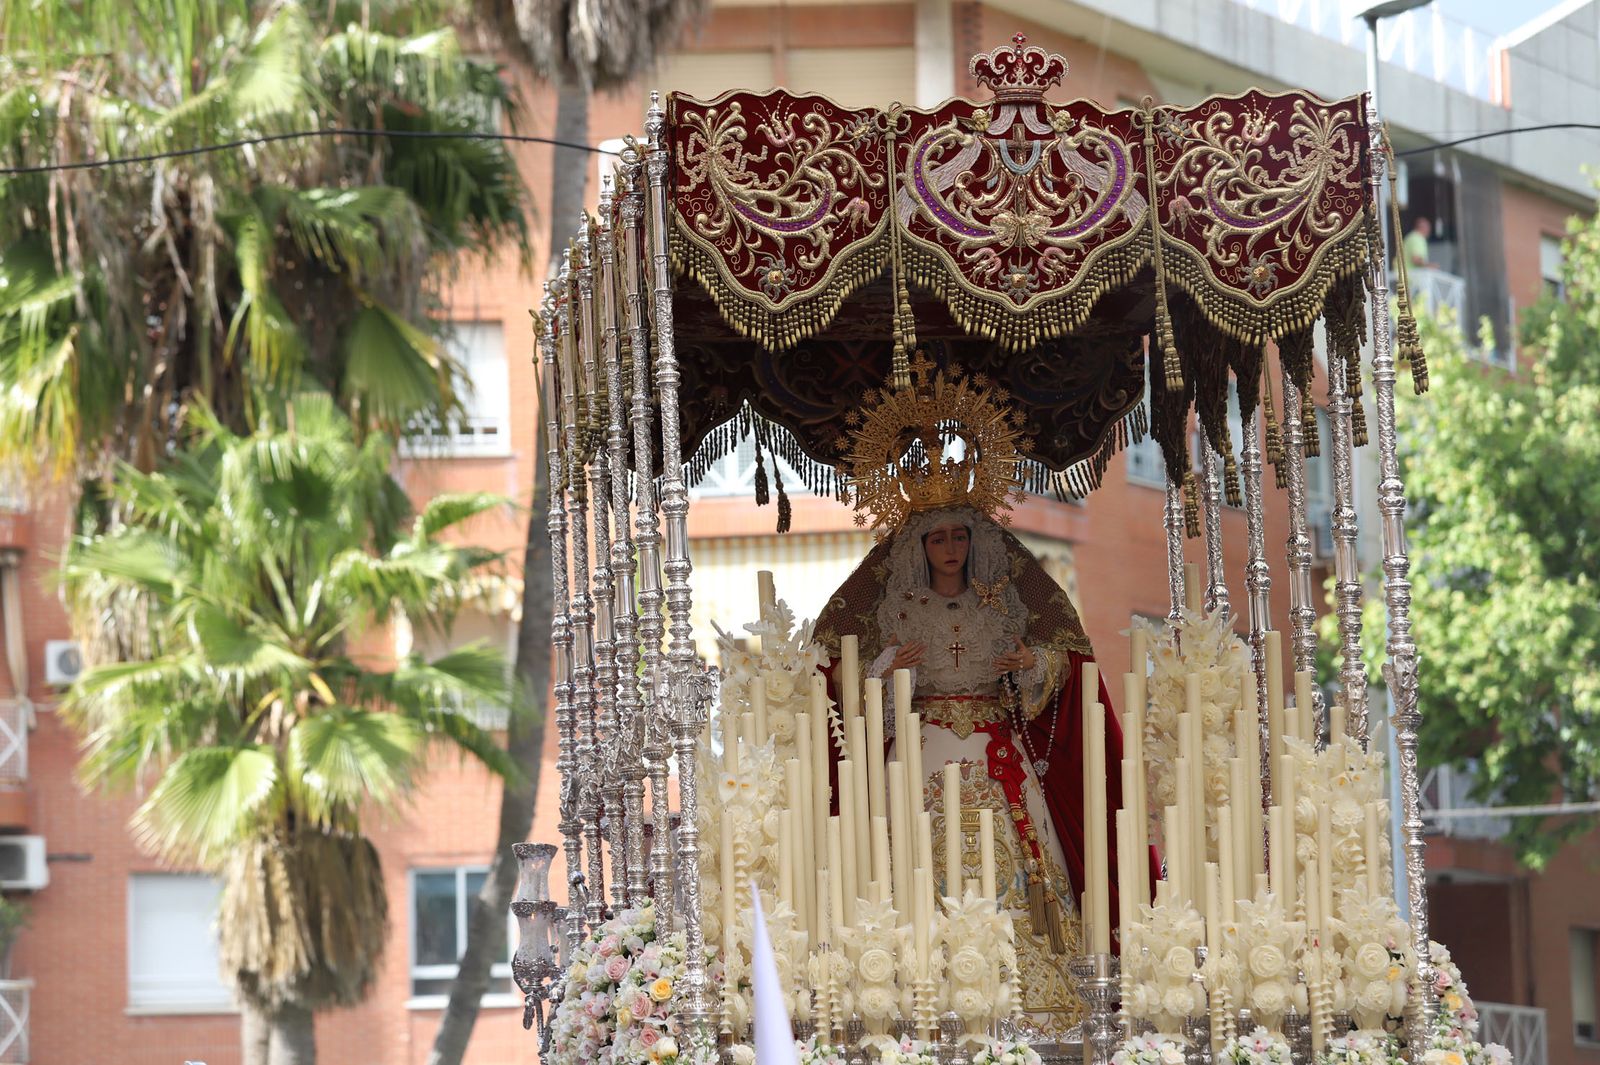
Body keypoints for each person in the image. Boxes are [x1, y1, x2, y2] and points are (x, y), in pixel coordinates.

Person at [814, 358, 1143, 1037]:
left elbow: (1063, 658)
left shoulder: (1005, 601)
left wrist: (1030, 663)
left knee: (1019, 862)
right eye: (937, 537)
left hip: (999, 753)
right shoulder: (896, 608)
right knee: (917, 856)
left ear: (975, 537)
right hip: (925, 748)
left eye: (959, 534)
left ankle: (1038, 999)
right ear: (917, 545)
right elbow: (840, 675)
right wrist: (885, 667)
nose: (950, 547)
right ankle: (913, 998)